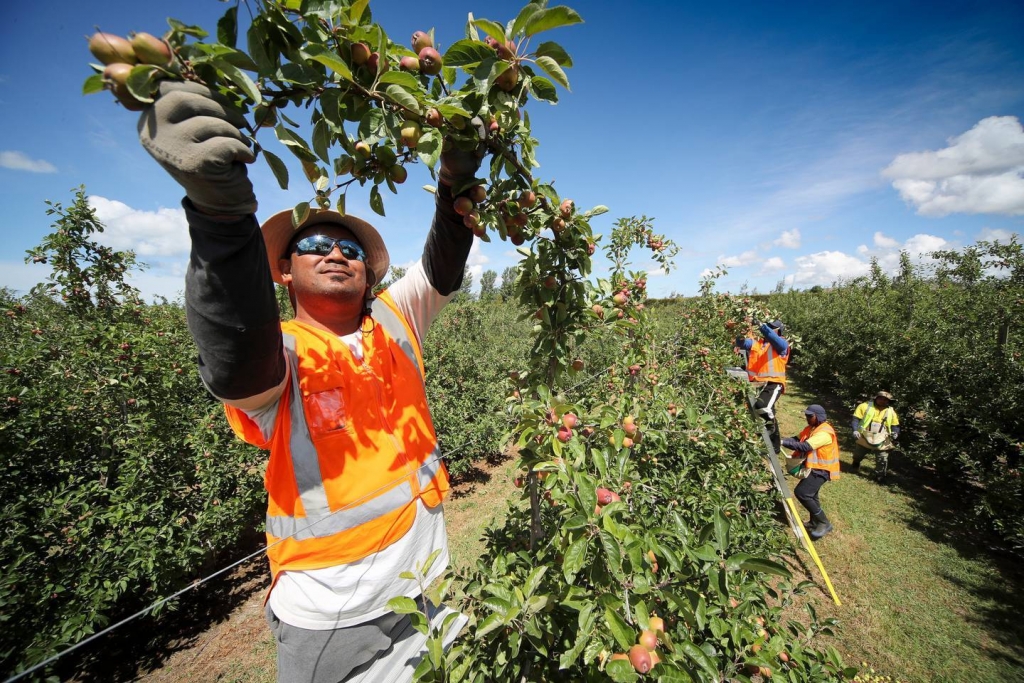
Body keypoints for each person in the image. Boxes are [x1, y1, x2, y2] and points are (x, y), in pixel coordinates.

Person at [137, 81, 483, 681]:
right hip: (333, 615)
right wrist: (222, 220)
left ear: (368, 271)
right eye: (314, 245)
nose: (335, 253)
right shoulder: (280, 355)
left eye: (350, 247)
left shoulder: (395, 318)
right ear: (284, 274)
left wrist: (452, 182)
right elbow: (234, 352)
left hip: (428, 581)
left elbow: (441, 266)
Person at [781, 404, 840, 541]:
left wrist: (783, 442)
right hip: (815, 467)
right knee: (812, 495)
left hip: (822, 469)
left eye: (810, 416)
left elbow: (805, 446)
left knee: (803, 493)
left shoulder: (825, 432)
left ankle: (824, 522)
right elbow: (797, 439)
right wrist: (781, 439)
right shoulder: (811, 428)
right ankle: (815, 522)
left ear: (818, 417)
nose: (807, 418)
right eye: (806, 415)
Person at [735, 319, 790, 452]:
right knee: (757, 411)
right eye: (769, 327)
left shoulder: (782, 344)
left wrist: (762, 326)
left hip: (774, 382)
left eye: (773, 328)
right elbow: (741, 343)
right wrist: (738, 328)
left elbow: (774, 338)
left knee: (763, 407)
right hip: (757, 383)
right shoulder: (757, 343)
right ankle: (771, 445)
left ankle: (771, 431)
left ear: (779, 331)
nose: (769, 329)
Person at [851, 391, 900, 481]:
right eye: (880, 398)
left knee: (882, 457)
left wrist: (895, 433)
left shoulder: (891, 411)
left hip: (883, 437)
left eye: (885, 400)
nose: (882, 401)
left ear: (888, 401)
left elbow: (895, 425)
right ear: (876, 398)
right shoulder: (864, 406)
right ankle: (856, 462)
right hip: (865, 434)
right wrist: (855, 430)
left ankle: (879, 476)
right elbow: (856, 419)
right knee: (858, 454)